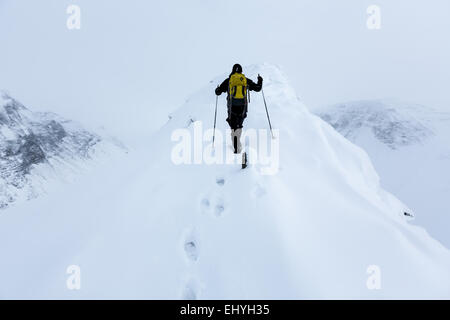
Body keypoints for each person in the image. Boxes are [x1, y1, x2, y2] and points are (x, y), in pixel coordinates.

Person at [215, 64, 263, 153]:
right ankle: (238, 145)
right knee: (239, 126)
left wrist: (218, 89)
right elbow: (258, 88)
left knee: (233, 126)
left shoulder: (229, 80)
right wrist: (260, 80)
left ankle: (236, 147)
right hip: (242, 107)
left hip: (232, 107)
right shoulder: (244, 80)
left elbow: (218, 92)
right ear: (241, 71)